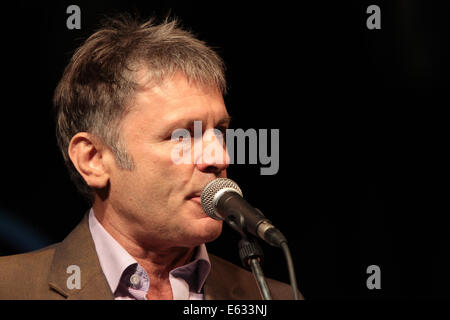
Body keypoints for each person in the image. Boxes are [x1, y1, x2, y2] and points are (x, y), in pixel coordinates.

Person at [0, 14, 302, 300]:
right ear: (93, 160)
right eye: (181, 135)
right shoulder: (10, 287)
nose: (219, 157)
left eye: (220, 131)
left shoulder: (272, 297)